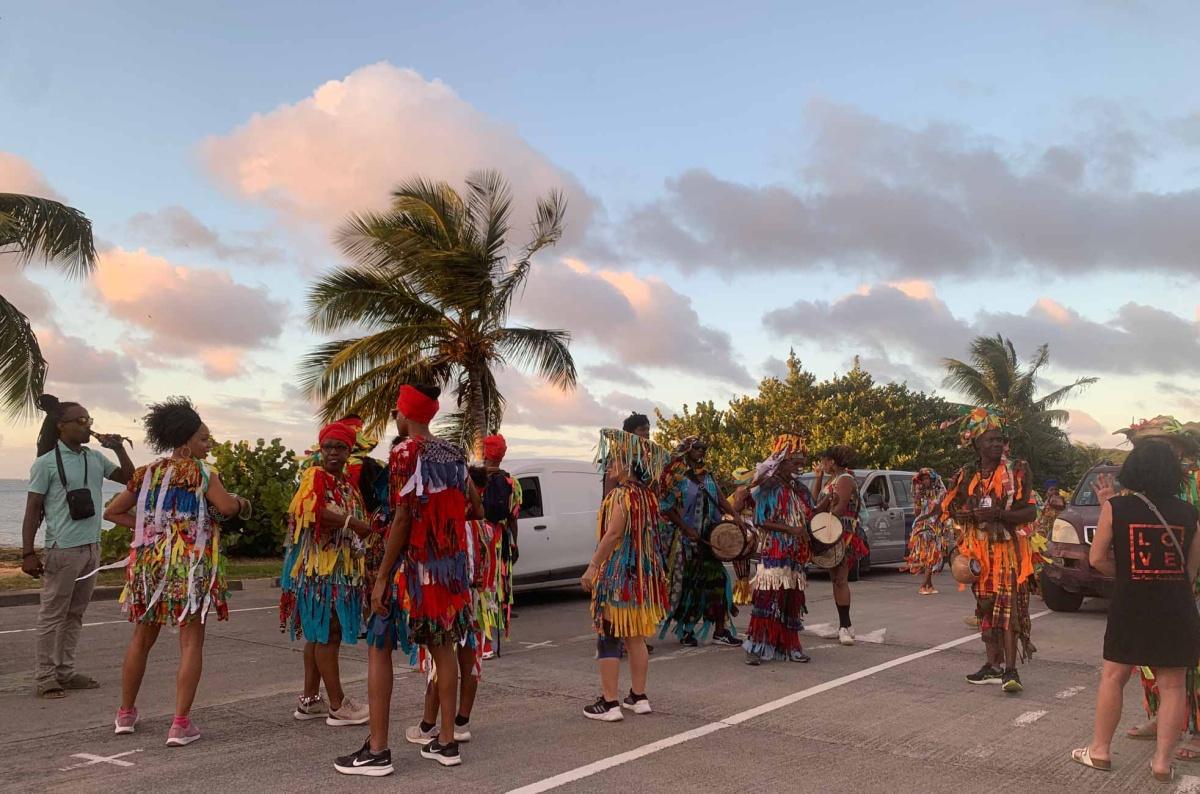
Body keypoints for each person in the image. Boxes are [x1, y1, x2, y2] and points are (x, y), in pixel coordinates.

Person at [335, 384, 481, 775]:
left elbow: (402, 516)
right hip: (448, 569)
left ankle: (378, 750)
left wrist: (383, 576)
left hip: (411, 567)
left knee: (379, 645)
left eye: (396, 411)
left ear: (404, 413)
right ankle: (446, 742)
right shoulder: (454, 453)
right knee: (444, 648)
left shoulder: (405, 452)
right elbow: (471, 505)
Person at [105, 397, 250, 746]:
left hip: (150, 567)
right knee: (191, 641)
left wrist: (151, 530)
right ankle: (180, 724)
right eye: (203, 438)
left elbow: (113, 512)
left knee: (141, 637)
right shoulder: (203, 473)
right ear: (185, 440)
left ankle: (125, 714)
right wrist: (243, 503)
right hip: (189, 566)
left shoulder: (146, 473)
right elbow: (228, 507)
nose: (209, 443)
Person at [1071, 440, 1200, 783]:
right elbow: (1190, 572)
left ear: (1134, 470)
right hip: (1175, 608)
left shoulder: (1117, 507)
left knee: (1114, 676)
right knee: (1173, 686)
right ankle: (1161, 762)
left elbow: (1097, 559)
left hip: (1132, 605)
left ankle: (1099, 751)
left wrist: (1128, 574)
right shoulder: (1190, 514)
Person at [22, 394, 134, 698]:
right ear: (62, 426)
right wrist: (28, 552)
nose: (87, 426)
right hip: (62, 550)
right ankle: (45, 677)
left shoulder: (94, 458)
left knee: (75, 614)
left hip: (91, 548)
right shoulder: (46, 464)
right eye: (81, 421)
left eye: (89, 421)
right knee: (52, 614)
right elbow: (33, 508)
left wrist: (119, 448)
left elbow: (130, 480)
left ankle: (66, 672)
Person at [1113, 416, 1200, 758]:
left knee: (1190, 664)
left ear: (1180, 448)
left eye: (1165, 442)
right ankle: (1159, 717)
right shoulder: (1137, 490)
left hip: (1188, 587)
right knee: (1149, 657)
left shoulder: (1195, 482)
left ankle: (1196, 730)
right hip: (1151, 589)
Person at [280, 420, 372, 725]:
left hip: (339, 572)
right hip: (320, 572)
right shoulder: (315, 476)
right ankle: (337, 704)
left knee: (318, 635)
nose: (332, 452)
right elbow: (308, 513)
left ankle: (309, 701)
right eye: (327, 446)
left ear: (349, 451)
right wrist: (352, 524)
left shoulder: (346, 484)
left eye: (340, 447)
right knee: (327, 635)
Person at [940, 408, 1038, 694]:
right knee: (985, 609)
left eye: (1000, 439)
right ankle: (992, 667)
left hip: (1006, 550)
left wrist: (998, 515)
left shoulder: (1017, 471)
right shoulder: (967, 474)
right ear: (976, 444)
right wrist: (966, 515)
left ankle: (1011, 671)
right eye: (990, 439)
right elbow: (953, 509)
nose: (997, 444)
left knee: (1008, 612)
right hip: (976, 554)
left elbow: (1030, 512)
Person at [581, 428, 670, 722]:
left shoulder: (621, 495)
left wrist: (594, 565)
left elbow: (614, 533)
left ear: (627, 466)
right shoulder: (647, 496)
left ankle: (609, 703)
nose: (608, 467)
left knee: (608, 635)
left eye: (613, 462)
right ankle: (639, 696)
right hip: (642, 575)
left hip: (619, 573)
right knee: (635, 636)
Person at [658, 437, 741, 647]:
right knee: (690, 586)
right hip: (687, 541)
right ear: (686, 450)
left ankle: (720, 631)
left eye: (704, 448)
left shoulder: (707, 474)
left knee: (719, 582)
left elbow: (720, 499)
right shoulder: (677, 476)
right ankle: (686, 632)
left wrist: (736, 517)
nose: (701, 451)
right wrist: (686, 528)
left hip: (709, 537)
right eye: (697, 448)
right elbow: (665, 506)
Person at [742, 434, 814, 665]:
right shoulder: (768, 487)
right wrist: (789, 530)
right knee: (768, 598)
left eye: (802, 461)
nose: (799, 466)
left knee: (791, 599)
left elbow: (810, 514)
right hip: (774, 552)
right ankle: (757, 646)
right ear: (781, 461)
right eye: (795, 461)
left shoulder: (801, 489)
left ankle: (789, 645)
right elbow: (760, 520)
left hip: (795, 554)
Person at [812, 444, 870, 646]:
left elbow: (840, 507)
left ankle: (846, 626)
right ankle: (844, 625)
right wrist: (818, 477)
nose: (822, 464)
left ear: (833, 462)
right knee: (835, 578)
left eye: (824, 461)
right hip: (831, 531)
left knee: (841, 579)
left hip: (842, 533)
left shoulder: (845, 479)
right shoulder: (832, 479)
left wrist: (819, 524)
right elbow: (814, 501)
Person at [479, 434, 522, 658]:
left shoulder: (475, 479)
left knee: (480, 588)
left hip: (481, 540)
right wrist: (514, 544)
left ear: (486, 453)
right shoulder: (511, 483)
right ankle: (492, 644)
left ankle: (483, 643)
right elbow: (514, 518)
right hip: (501, 540)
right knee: (497, 590)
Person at [902, 468, 949, 595]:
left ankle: (929, 585)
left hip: (936, 526)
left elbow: (941, 509)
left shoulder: (940, 492)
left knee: (933, 555)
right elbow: (917, 513)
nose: (925, 481)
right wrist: (917, 500)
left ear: (932, 479)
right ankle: (923, 585)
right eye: (923, 479)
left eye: (927, 478)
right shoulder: (920, 493)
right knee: (928, 555)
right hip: (923, 527)